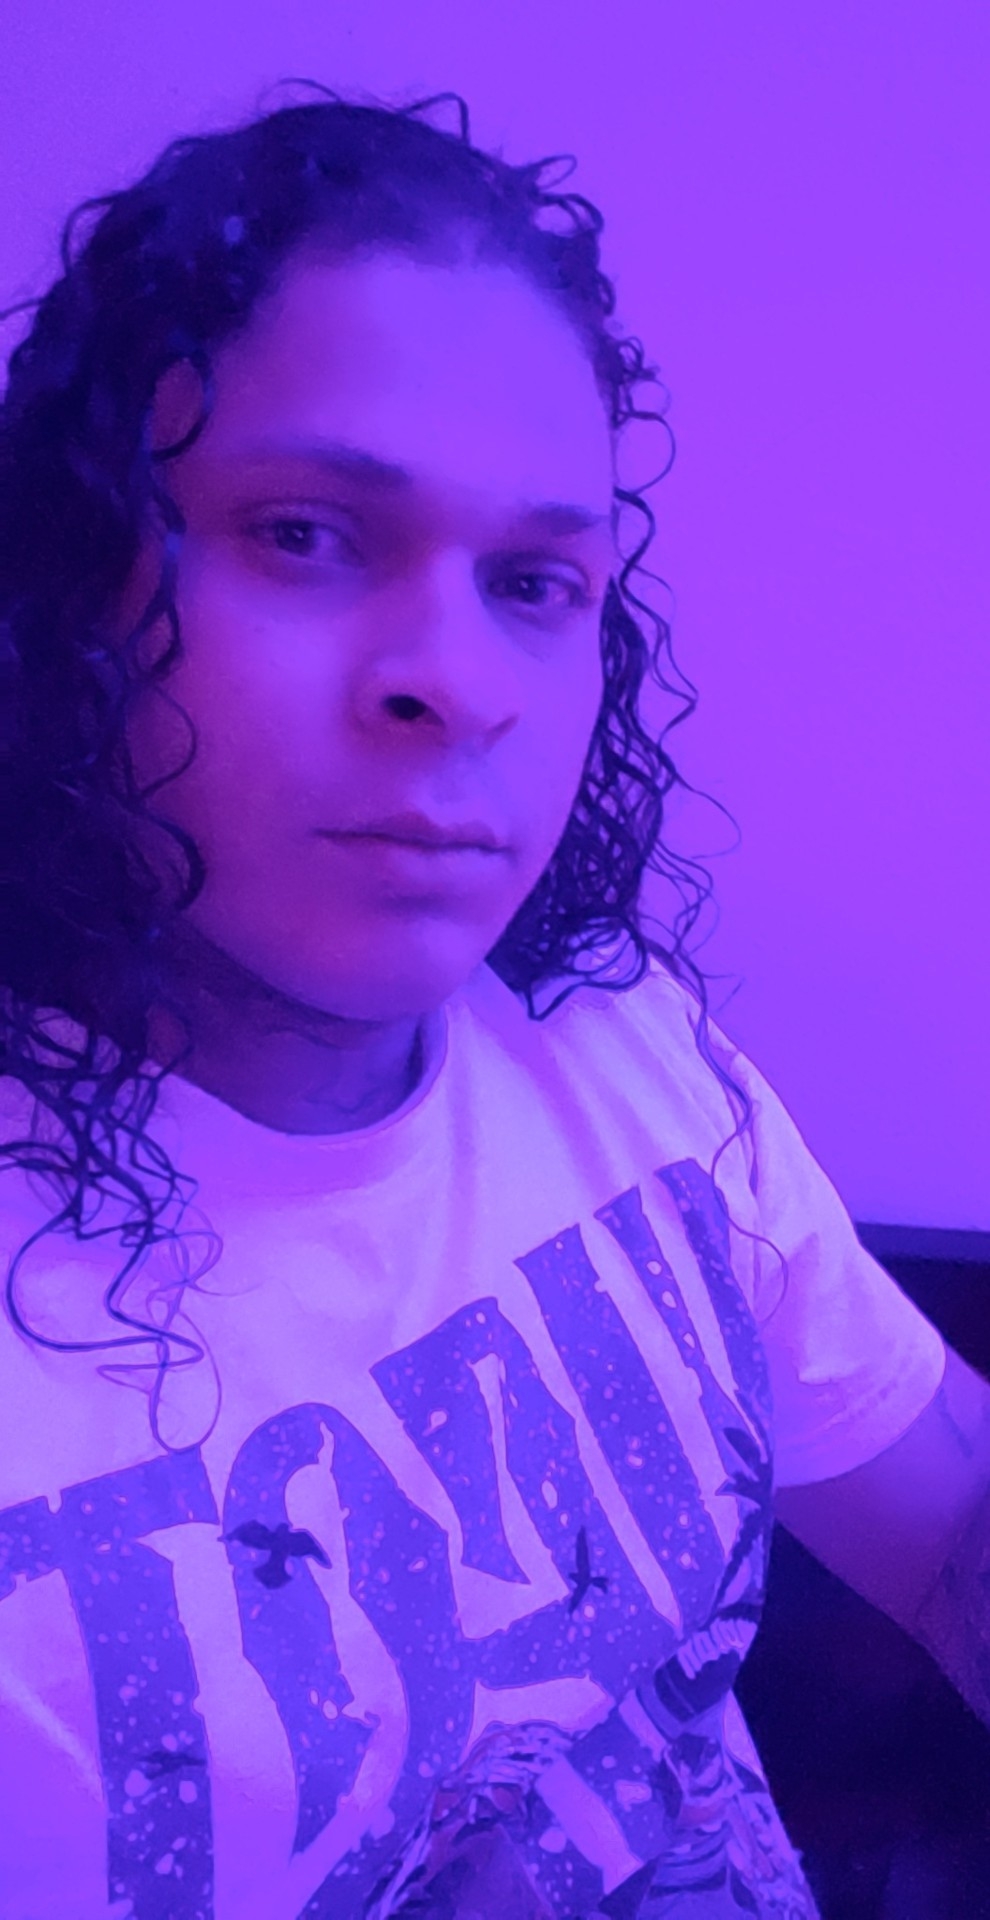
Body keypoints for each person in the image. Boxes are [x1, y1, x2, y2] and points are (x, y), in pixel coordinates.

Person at [0, 80, 987, 1920]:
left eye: (536, 581)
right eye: (306, 534)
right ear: (73, 582)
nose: (458, 682)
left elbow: (939, 1526)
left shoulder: (620, 1048)